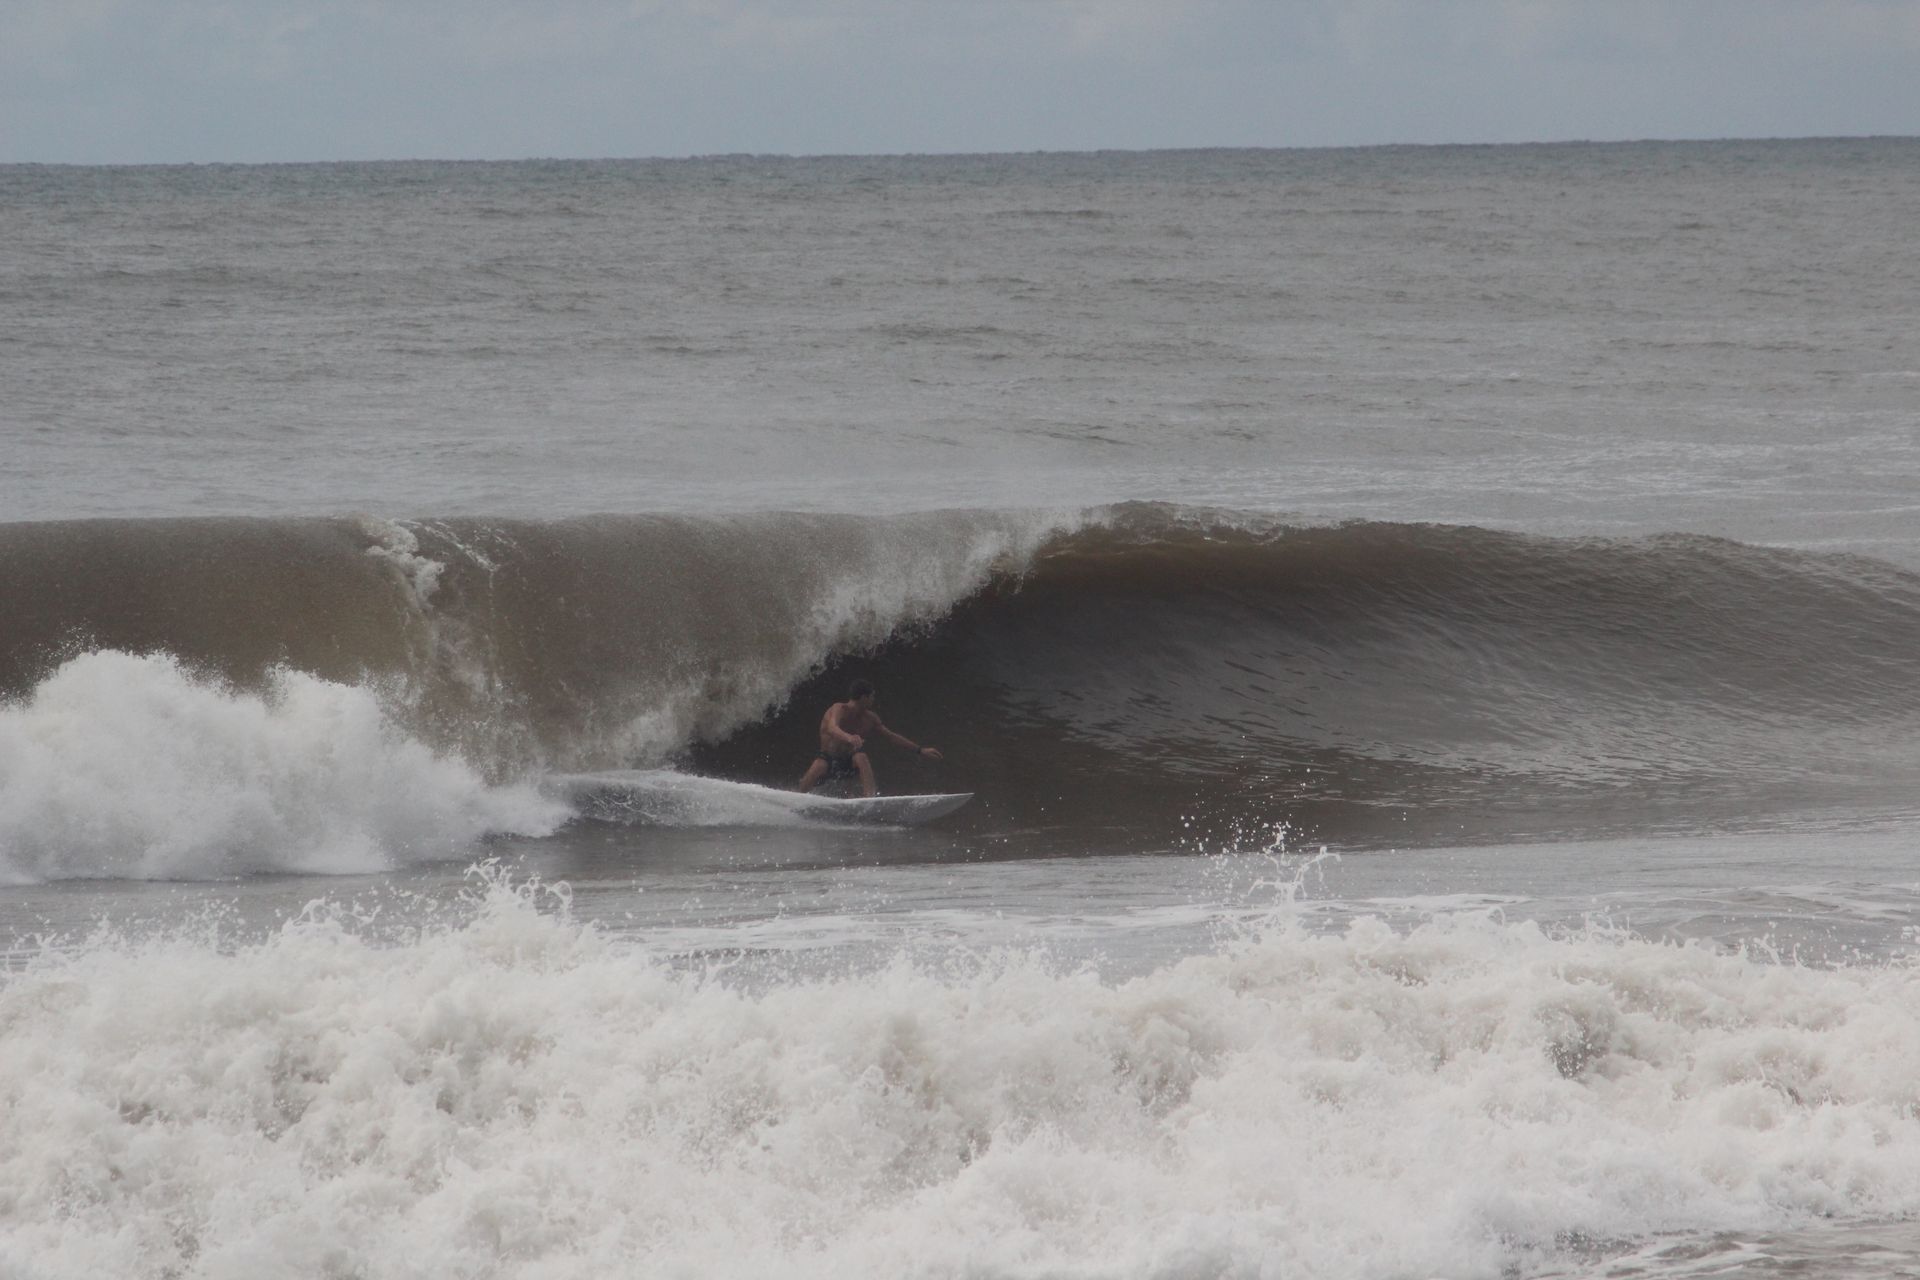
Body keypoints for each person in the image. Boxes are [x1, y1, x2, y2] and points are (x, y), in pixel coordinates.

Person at [796, 678, 943, 797]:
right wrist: (849, 737)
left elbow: (891, 736)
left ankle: (870, 800)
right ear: (864, 697)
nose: (873, 699)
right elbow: (832, 728)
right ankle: (797, 798)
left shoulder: (870, 718)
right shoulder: (839, 709)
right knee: (819, 765)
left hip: (848, 762)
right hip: (828, 759)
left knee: (861, 757)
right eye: (872, 696)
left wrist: (920, 750)